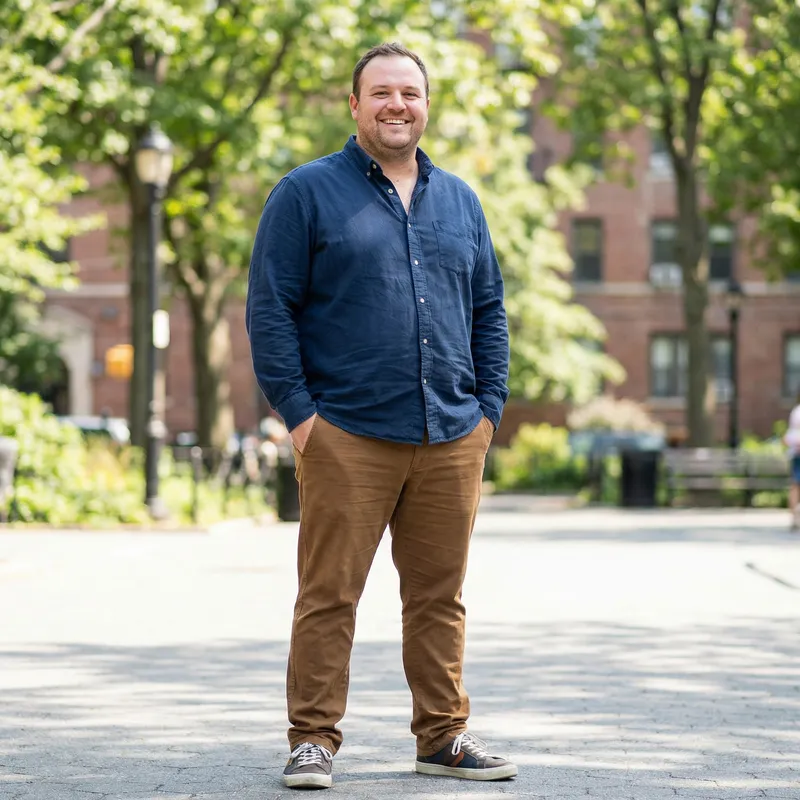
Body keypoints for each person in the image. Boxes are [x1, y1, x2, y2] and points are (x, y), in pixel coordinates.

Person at [246, 42, 514, 790]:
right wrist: (303, 418)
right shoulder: (304, 193)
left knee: (439, 598)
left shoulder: (460, 199)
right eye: (383, 93)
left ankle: (443, 736)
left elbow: (489, 309)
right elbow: (271, 312)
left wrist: (486, 412)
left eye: (411, 93)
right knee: (329, 596)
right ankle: (312, 741)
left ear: (427, 105)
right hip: (347, 435)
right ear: (354, 105)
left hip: (452, 432)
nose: (398, 105)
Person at [784, 391, 800, 530]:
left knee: (795, 485)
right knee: (795, 485)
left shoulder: (796, 411)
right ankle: (795, 516)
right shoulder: (798, 412)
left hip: (796, 452)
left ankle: (795, 517)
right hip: (798, 453)